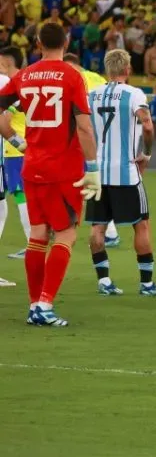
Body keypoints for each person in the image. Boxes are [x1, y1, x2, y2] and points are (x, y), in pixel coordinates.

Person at [0, 22, 101, 327]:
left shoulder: (24, 75)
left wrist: (16, 140)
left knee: (38, 234)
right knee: (66, 233)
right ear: (66, 43)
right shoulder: (72, 76)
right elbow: (84, 127)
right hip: (63, 169)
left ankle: (35, 305)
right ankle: (44, 305)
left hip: (32, 166)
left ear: (38, 44)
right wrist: (93, 168)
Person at [84, 49, 156, 297]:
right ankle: (146, 284)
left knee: (97, 227)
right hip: (125, 172)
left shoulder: (92, 95)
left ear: (107, 69)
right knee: (141, 225)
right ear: (127, 69)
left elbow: (82, 128)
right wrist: (147, 153)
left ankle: (104, 281)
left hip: (98, 172)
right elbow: (147, 125)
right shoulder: (134, 94)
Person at [66, 52, 120, 248]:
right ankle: (109, 231)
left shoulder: (73, 79)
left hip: (81, 139)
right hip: (99, 138)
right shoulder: (98, 79)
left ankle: (64, 226)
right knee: (93, 186)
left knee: (82, 185)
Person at [0, 47, 31, 261]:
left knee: (21, 197)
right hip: (22, 148)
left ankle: (32, 243)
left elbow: (6, 120)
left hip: (15, 150)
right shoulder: (27, 83)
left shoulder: (13, 86)